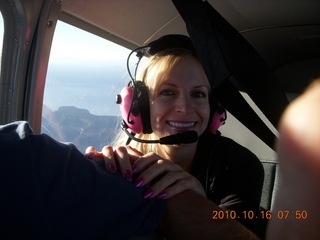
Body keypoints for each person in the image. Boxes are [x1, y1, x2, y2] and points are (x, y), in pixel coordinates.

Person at [86, 34, 265, 237]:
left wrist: (199, 207)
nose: (184, 108)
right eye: (168, 92)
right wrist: (96, 174)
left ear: (214, 107)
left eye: (198, 94)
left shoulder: (239, 166)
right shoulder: (127, 162)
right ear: (139, 105)